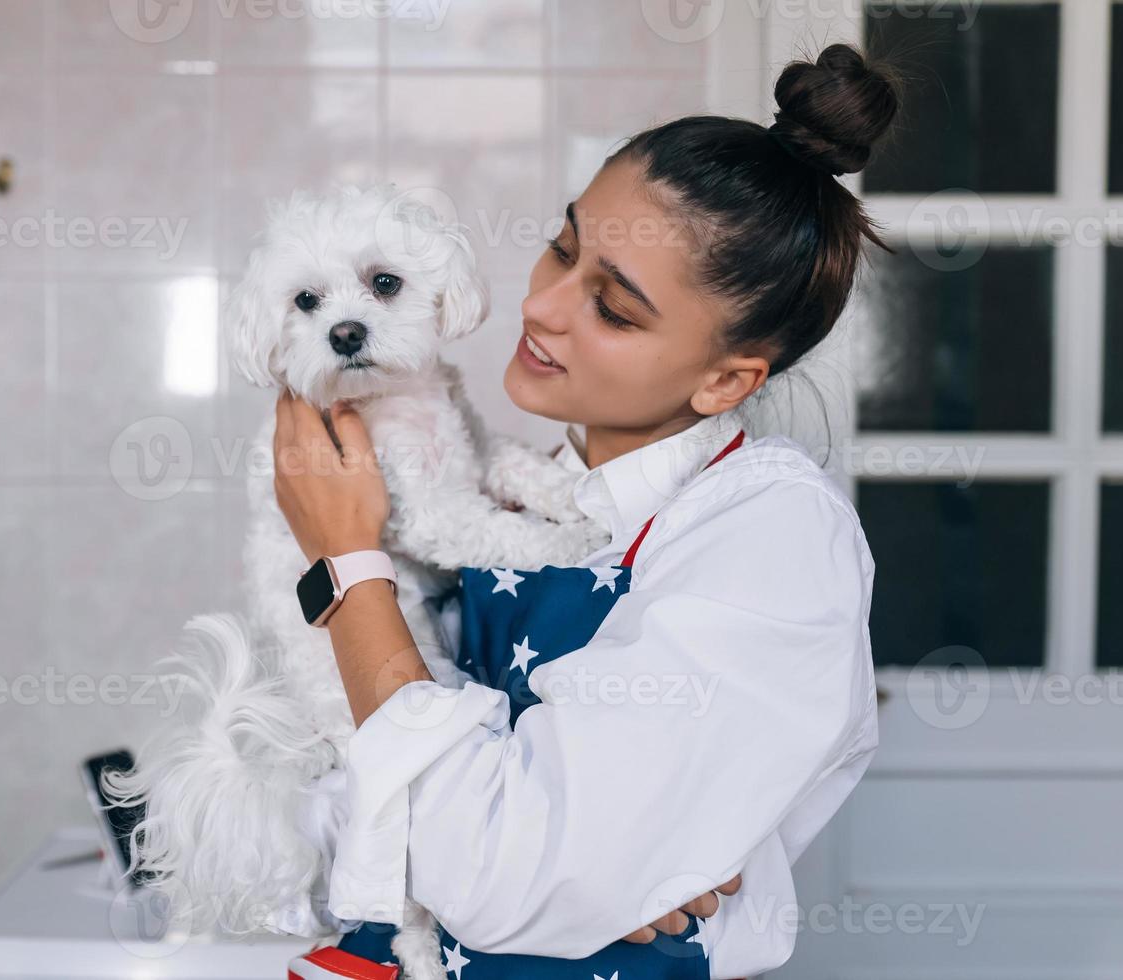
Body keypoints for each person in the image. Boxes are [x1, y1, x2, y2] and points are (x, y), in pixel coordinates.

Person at [270, 42, 899, 980]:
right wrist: (601, 869)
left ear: (727, 380)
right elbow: (340, 809)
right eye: (563, 247)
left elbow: (489, 873)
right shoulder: (511, 488)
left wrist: (344, 563)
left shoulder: (770, 536)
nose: (543, 307)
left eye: (612, 306)